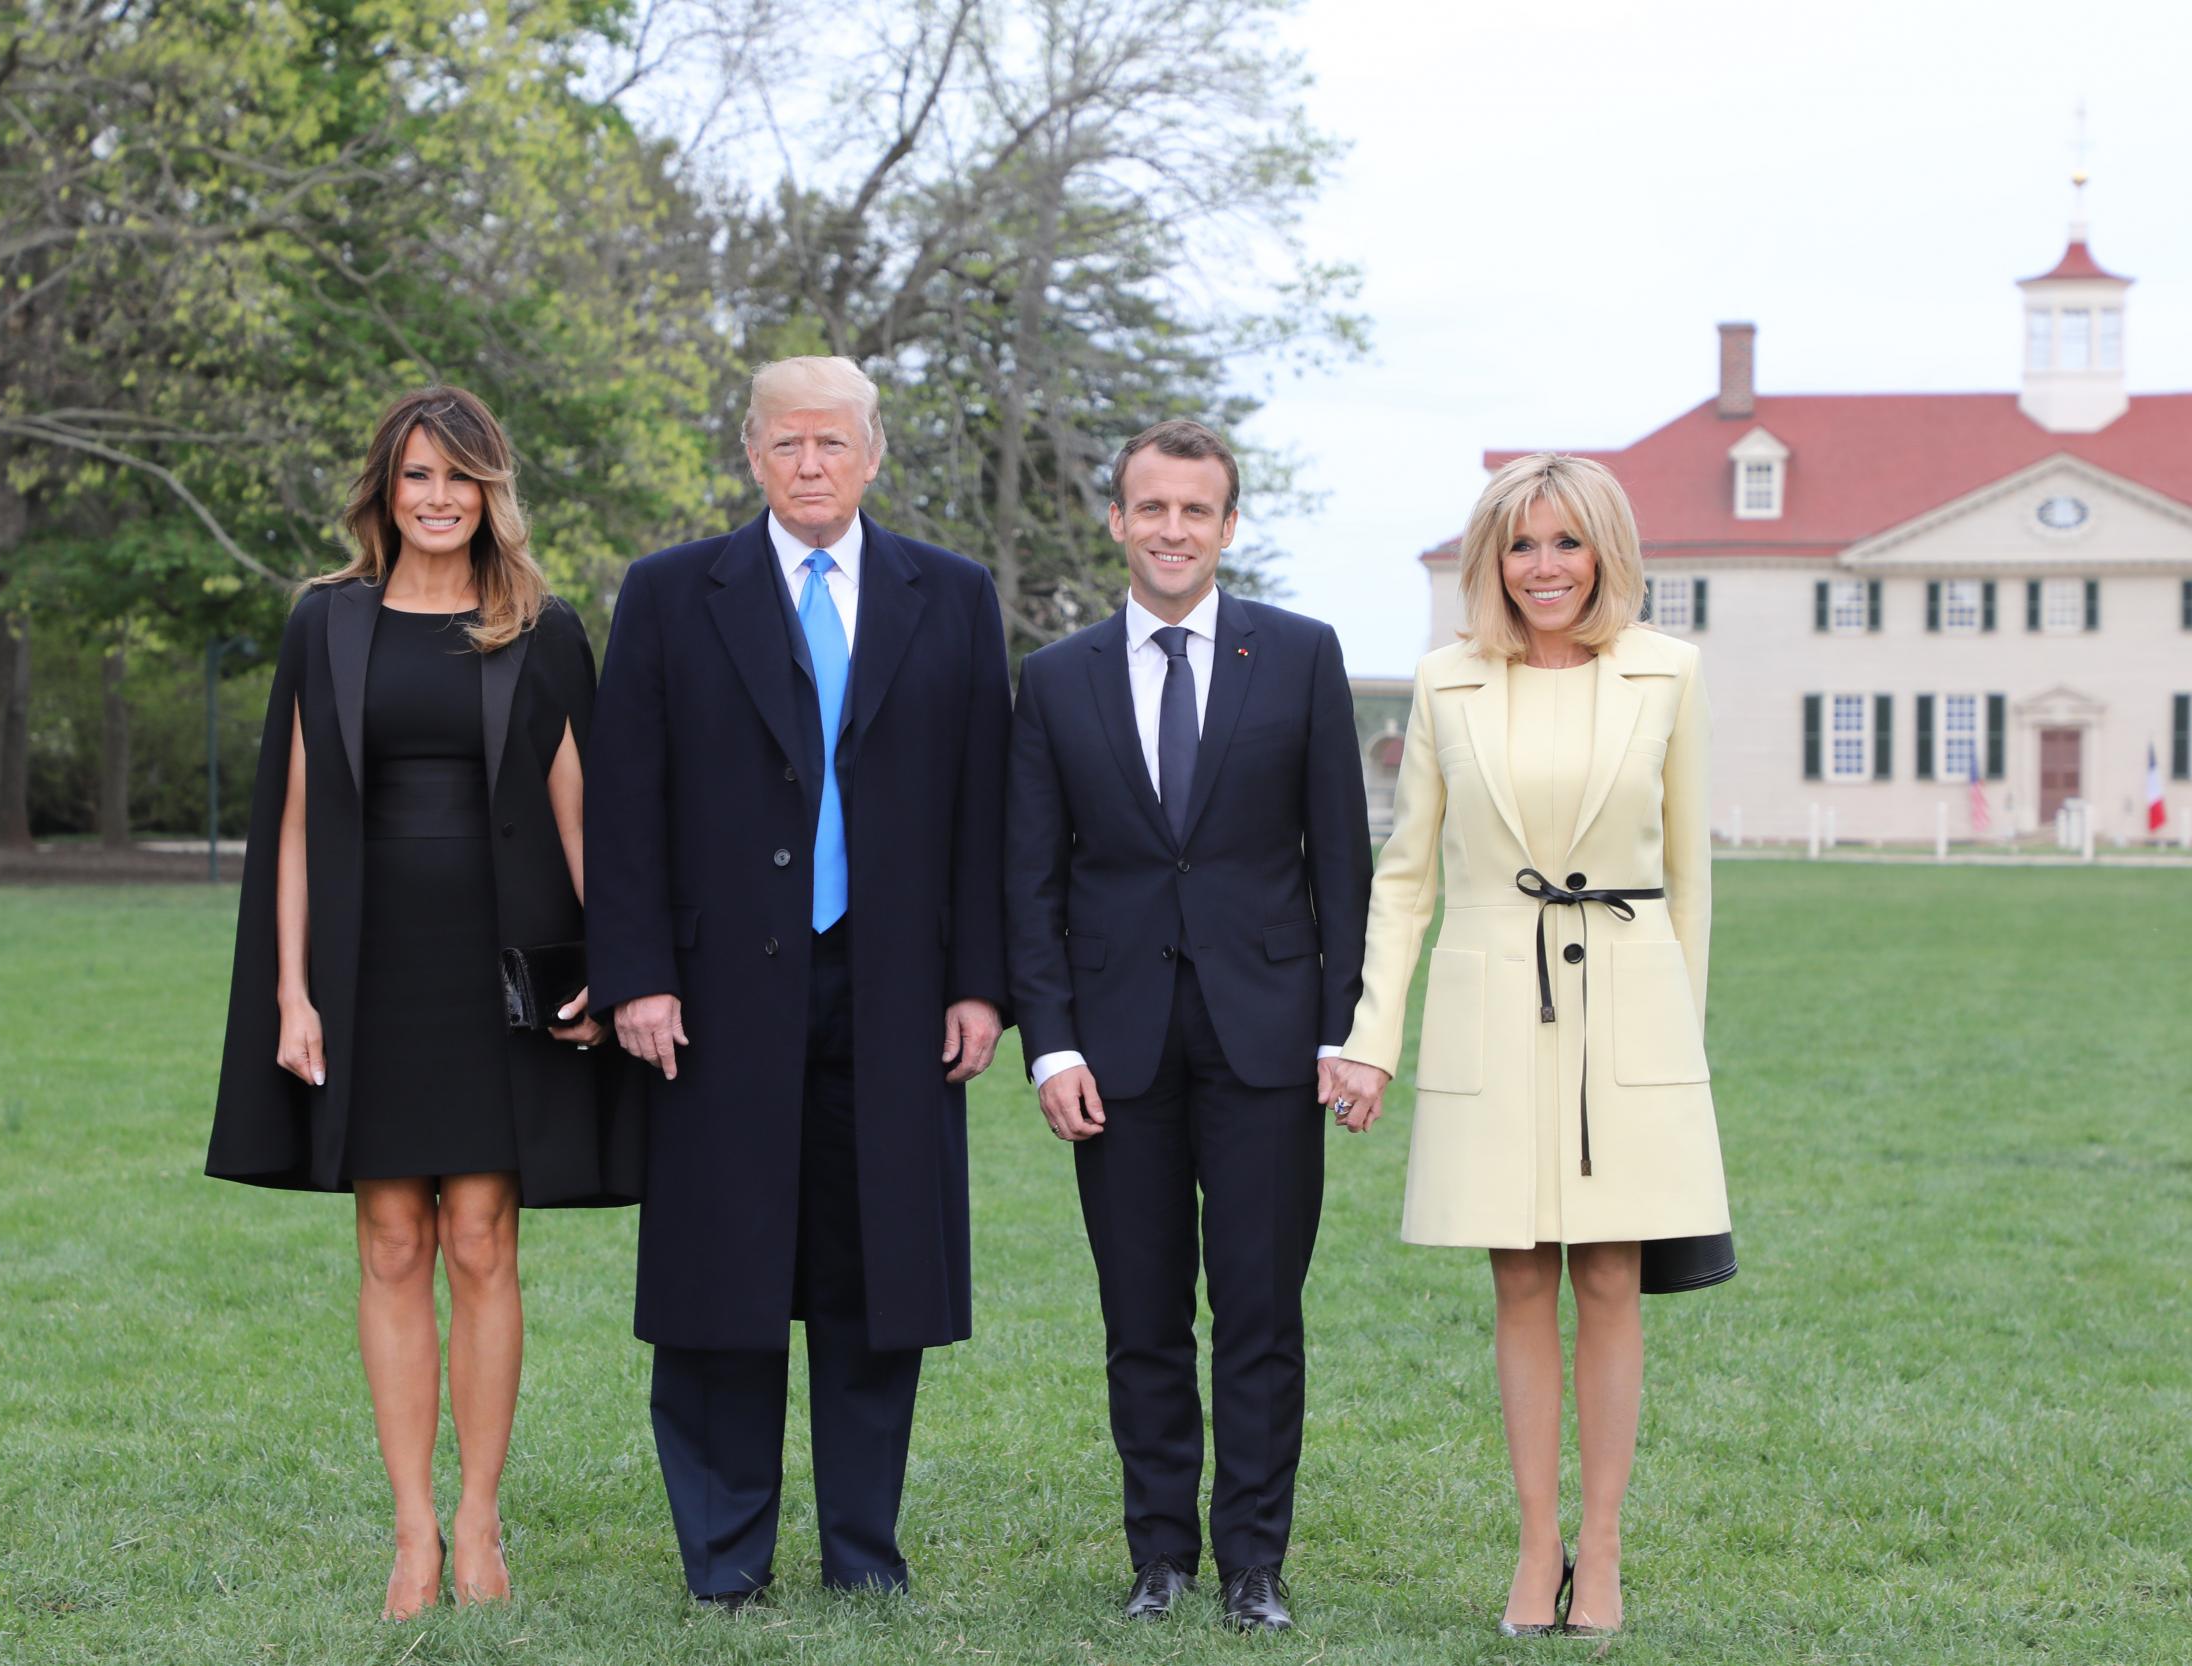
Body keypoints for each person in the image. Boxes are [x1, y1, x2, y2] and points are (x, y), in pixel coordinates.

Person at [207, 386, 642, 1620]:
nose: (438, 498)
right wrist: (291, 994)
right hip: (364, 968)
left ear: (491, 491)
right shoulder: (326, 625)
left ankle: (482, 1519)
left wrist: (601, 967)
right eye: (415, 477)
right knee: (391, 1236)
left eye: (460, 477)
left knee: (480, 1238)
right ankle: (411, 1533)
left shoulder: (543, 629)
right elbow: (290, 823)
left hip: (498, 974)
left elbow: (582, 812)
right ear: (383, 492)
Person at [584, 355, 1009, 1607]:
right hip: (712, 996)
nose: (809, 465)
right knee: (723, 1270)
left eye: (832, 443)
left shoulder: (954, 594)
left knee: (878, 1272)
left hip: (895, 990)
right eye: (786, 444)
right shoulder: (671, 594)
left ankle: (863, 1552)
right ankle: (725, 1559)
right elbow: (624, 800)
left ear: (875, 454)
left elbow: (986, 803)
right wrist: (637, 974)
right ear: (751, 455)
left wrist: (980, 982)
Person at [1322, 452, 1735, 1639]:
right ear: (1488, 561)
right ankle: (1535, 1541)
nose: (1541, 566)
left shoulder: (1669, 672)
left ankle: (1600, 1550)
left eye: (1563, 542)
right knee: (1516, 1273)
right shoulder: (1448, 681)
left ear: (1604, 551)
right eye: (1519, 544)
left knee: (1610, 1275)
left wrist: (1678, 1048)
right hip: (1490, 997)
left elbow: (1689, 876)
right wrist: (1372, 1038)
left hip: (1630, 999)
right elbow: (1404, 883)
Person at [1005, 419, 1371, 1632]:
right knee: (1143, 1315)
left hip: (1269, 1040)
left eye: (1194, 510)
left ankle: (1253, 1565)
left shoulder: (1302, 655)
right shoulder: (1055, 678)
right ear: (1116, 520)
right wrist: (1050, 1043)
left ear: (1227, 524)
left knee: (1261, 1315)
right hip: (1114, 1050)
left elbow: (1341, 861)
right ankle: (1159, 1555)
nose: (1171, 530)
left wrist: (1340, 1026)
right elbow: (1032, 879)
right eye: (1150, 508)